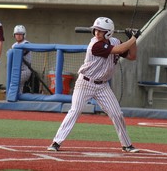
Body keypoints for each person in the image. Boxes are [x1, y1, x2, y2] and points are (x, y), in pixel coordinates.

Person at [47, 17, 141, 152]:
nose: (97, 33)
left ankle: (126, 144)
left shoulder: (115, 41)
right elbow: (118, 50)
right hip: (85, 83)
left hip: (103, 86)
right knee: (75, 111)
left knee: (117, 114)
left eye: (101, 31)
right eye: (96, 30)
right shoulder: (95, 45)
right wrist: (133, 38)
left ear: (108, 32)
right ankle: (56, 142)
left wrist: (132, 40)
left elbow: (132, 56)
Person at [11, 25, 31, 94]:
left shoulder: (26, 43)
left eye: (20, 34)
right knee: (19, 88)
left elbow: (21, 52)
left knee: (15, 82)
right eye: (17, 34)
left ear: (24, 35)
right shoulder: (14, 45)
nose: (18, 36)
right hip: (17, 70)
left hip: (25, 70)